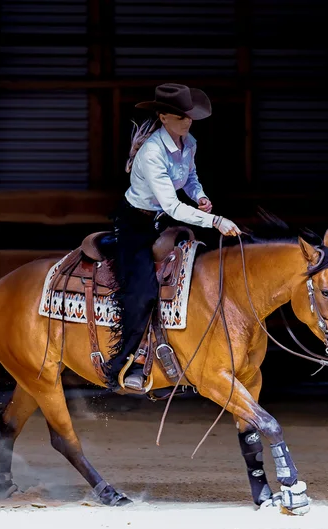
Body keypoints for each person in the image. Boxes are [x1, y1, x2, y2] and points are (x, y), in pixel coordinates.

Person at [105, 83, 241, 392]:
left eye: (189, 116)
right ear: (163, 117)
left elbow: (190, 178)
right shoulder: (152, 154)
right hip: (135, 224)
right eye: (180, 116)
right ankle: (125, 364)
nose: (187, 121)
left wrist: (201, 196)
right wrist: (214, 220)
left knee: (193, 276)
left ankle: (181, 355)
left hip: (162, 219)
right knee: (142, 291)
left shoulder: (188, 141)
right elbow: (171, 204)